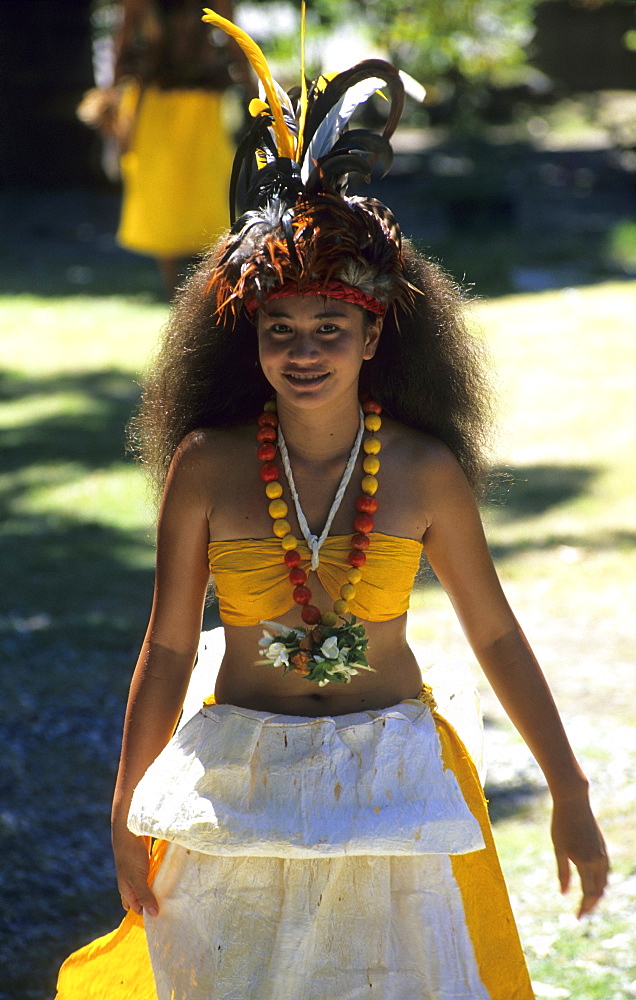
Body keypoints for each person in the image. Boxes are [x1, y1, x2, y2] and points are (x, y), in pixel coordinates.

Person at [56, 11, 608, 1000]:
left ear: (373, 338)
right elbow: (172, 648)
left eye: (328, 328)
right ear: (247, 338)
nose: (302, 351)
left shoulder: (425, 469)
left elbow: (496, 635)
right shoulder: (207, 467)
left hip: (389, 772)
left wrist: (567, 789)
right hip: (242, 774)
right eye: (279, 328)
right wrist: (125, 801)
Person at [110, 0, 249, 295]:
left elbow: (235, 36)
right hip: (156, 100)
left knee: (210, 184)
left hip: (202, 100)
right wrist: (111, 96)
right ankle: (173, 286)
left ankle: (212, 278)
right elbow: (123, 38)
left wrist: (255, 89)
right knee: (160, 185)